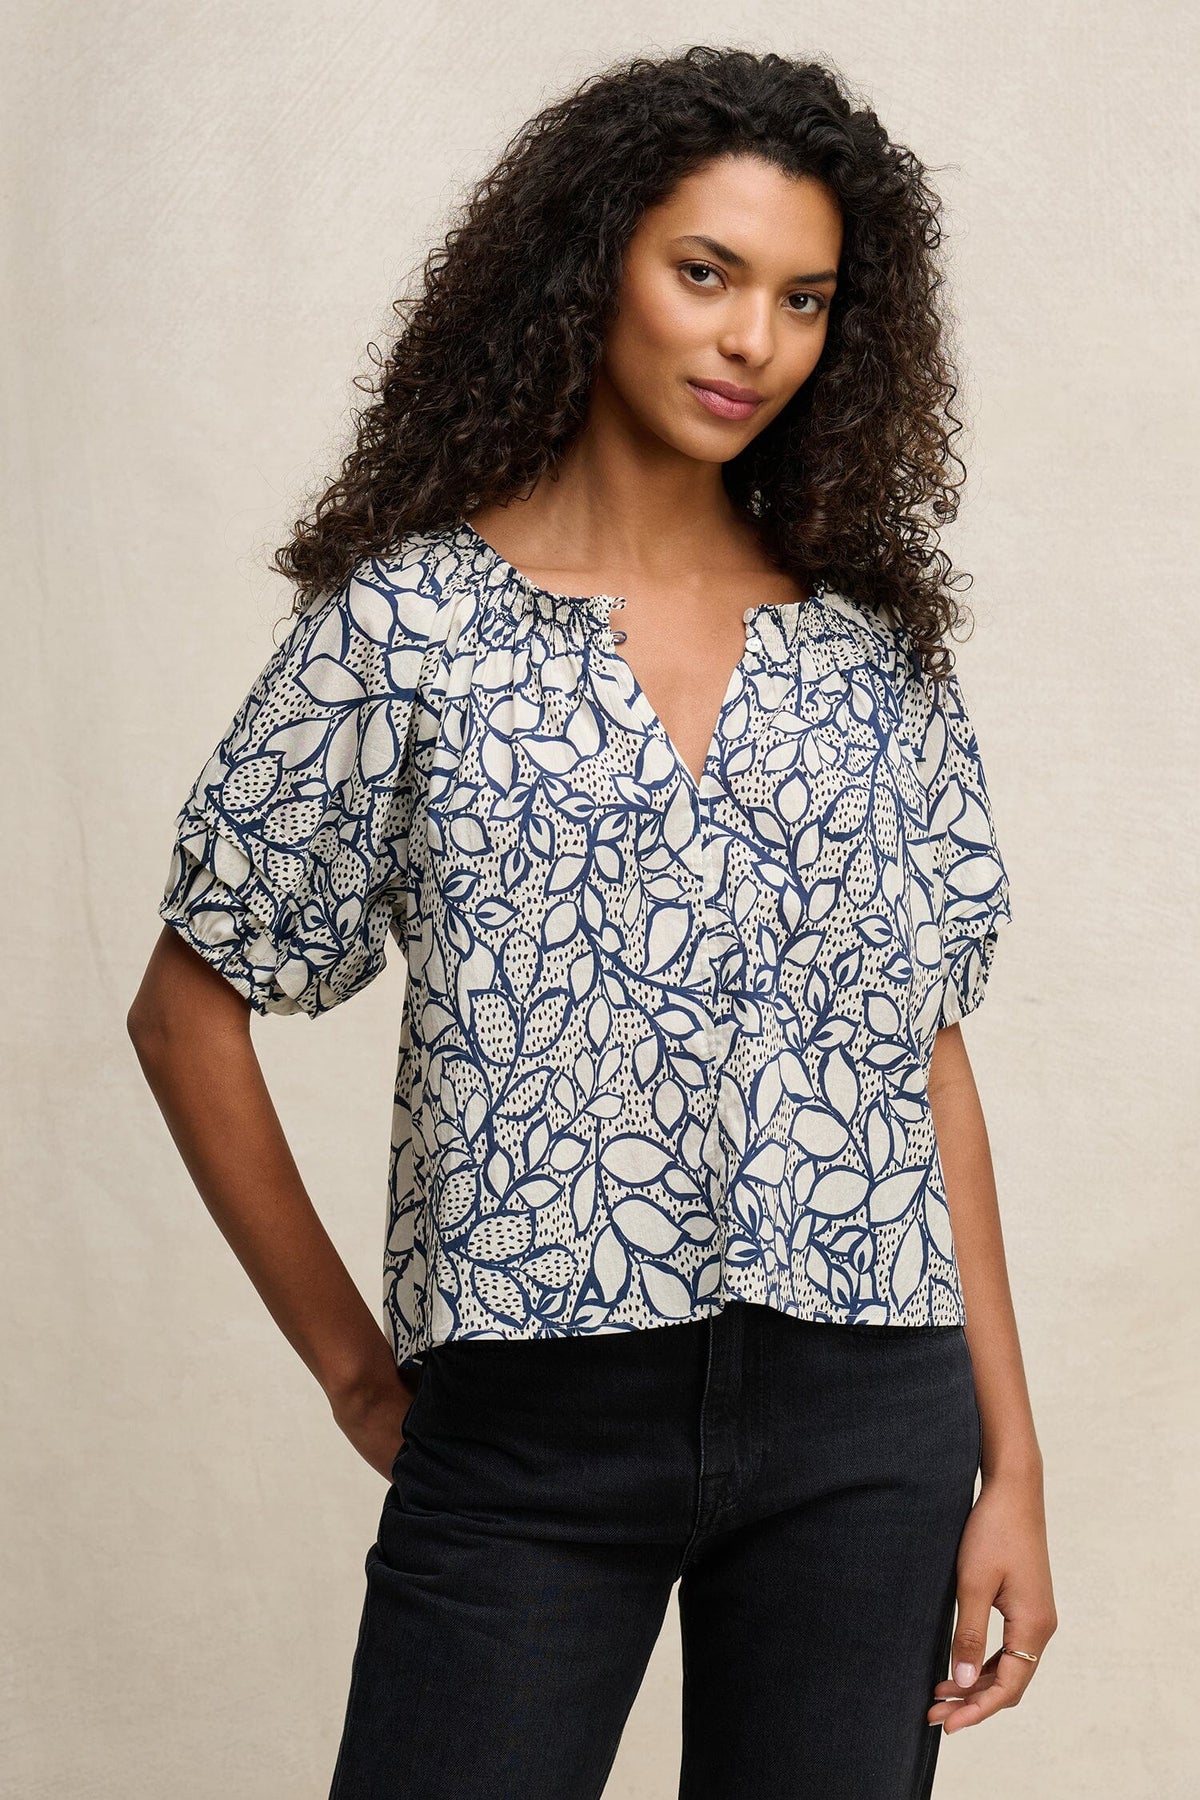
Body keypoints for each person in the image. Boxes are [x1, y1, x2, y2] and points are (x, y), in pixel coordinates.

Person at [128, 45, 1056, 1800]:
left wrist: (1010, 1466)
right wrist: (355, 1374)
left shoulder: (870, 655)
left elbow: (925, 1066)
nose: (751, 339)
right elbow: (186, 1012)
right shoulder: (410, 629)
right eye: (705, 272)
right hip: (533, 1433)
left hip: (869, 1425)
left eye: (803, 299)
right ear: (591, 265)